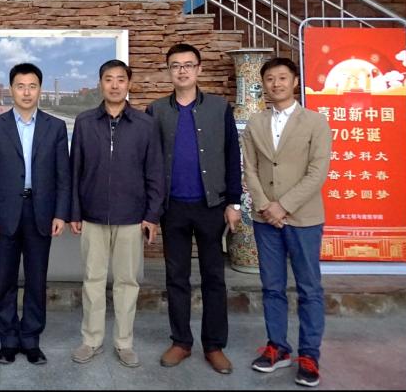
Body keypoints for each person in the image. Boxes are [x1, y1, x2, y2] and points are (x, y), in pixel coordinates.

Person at [147, 43, 242, 374]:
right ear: (168, 71)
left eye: (188, 65)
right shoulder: (156, 110)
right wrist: (151, 209)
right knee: (177, 277)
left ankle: (214, 346)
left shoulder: (219, 108)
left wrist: (233, 202)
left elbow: (232, 155)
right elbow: (150, 162)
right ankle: (181, 342)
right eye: (176, 65)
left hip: (211, 206)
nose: (182, 71)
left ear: (199, 69)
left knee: (214, 276)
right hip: (173, 208)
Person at [69, 59, 164, 369]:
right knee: (92, 280)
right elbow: (74, 170)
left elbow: (155, 172)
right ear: (100, 84)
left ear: (128, 84)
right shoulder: (85, 122)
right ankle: (91, 340)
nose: (114, 85)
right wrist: (74, 212)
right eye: (108, 79)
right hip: (92, 215)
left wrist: (152, 215)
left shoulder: (146, 124)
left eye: (120, 79)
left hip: (131, 217)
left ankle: (124, 343)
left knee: (127, 282)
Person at [243, 57, 331, 388]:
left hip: (304, 218)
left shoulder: (315, 122)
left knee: (309, 288)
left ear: (294, 82)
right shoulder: (255, 123)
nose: (276, 84)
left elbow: (317, 172)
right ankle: (277, 347)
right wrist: (266, 206)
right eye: (270, 78)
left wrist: (284, 206)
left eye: (282, 77)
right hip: (265, 218)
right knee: (272, 286)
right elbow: (250, 168)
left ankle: (309, 355)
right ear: (263, 84)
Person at [0, 63, 71, 366]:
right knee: (5, 279)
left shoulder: (55, 127)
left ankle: (31, 339)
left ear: (40, 89)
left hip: (41, 212)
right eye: (20, 86)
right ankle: (7, 340)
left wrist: (60, 213)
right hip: (5, 213)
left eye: (32, 86)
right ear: (11, 90)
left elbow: (63, 175)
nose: (27, 92)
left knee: (36, 280)